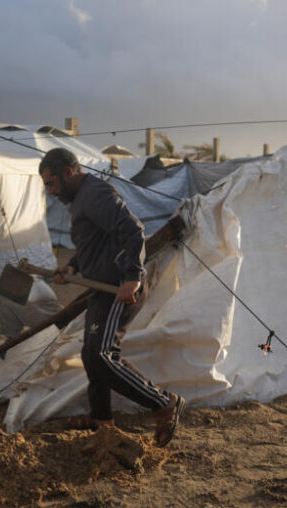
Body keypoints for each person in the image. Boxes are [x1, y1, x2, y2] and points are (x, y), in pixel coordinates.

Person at [39, 148, 183, 447]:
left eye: (51, 183)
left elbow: (132, 230)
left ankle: (164, 402)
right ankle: (102, 419)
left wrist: (132, 277)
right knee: (92, 356)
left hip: (118, 287)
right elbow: (95, 240)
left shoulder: (95, 194)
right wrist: (73, 265)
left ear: (69, 172)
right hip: (100, 287)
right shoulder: (80, 199)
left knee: (104, 356)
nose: (49, 192)